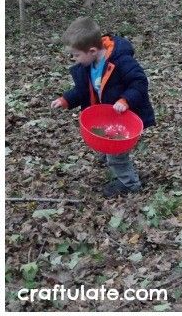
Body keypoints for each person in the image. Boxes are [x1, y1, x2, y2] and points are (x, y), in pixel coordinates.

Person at [50, 17, 155, 197]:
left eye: (76, 55)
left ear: (91, 50)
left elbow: (139, 82)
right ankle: (109, 156)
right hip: (107, 116)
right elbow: (82, 90)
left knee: (118, 154)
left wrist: (125, 100)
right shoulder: (88, 66)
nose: (74, 59)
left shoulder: (121, 60)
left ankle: (130, 183)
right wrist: (65, 100)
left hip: (125, 116)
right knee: (107, 144)